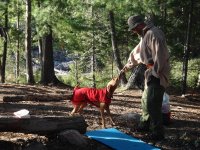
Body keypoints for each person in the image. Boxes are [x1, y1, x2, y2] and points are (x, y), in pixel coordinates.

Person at [121, 15, 170, 140]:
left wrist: (155, 72)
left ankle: (157, 133)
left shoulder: (154, 34)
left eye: (133, 28)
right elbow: (136, 54)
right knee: (145, 101)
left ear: (139, 25)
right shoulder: (145, 36)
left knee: (153, 104)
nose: (133, 31)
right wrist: (126, 67)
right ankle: (144, 124)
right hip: (150, 72)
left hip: (157, 74)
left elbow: (161, 55)